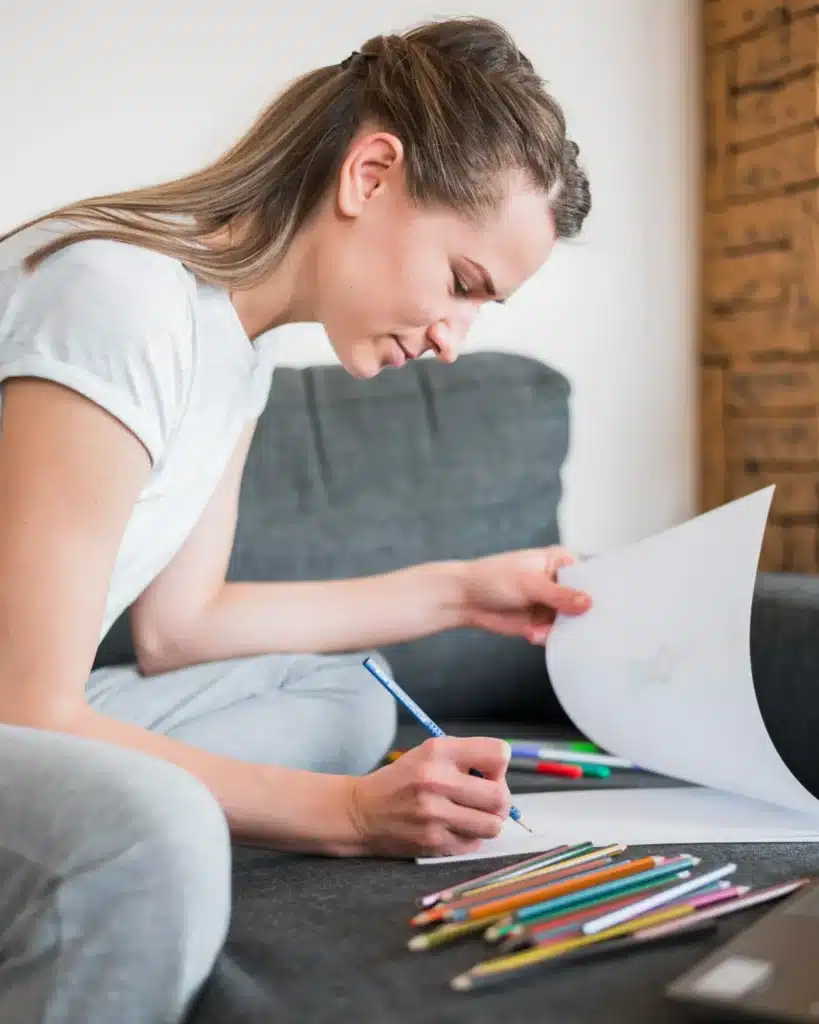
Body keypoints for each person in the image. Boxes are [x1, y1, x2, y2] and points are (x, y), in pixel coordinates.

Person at [0, 15, 593, 1024]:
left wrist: (458, 590)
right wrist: (347, 814)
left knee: (351, 697)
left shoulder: (239, 341)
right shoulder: (118, 299)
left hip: (24, 706)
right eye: (463, 283)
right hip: (19, 705)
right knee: (163, 829)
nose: (456, 339)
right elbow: (27, 707)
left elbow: (180, 627)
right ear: (370, 173)